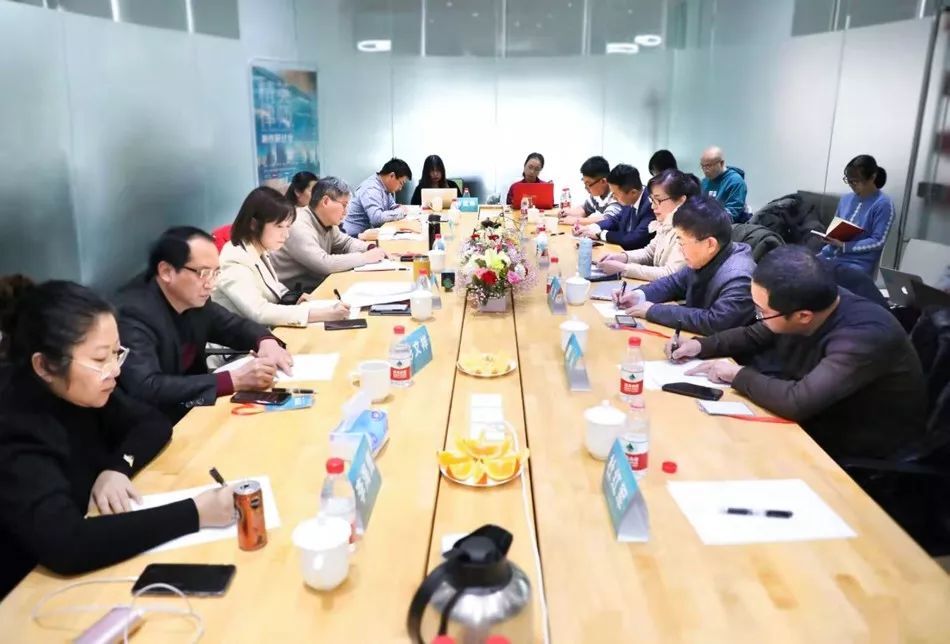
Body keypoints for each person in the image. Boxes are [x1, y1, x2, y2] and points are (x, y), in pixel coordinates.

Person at [0, 281, 236, 598]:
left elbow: (153, 423)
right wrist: (195, 513)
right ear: (44, 365)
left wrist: (117, 468)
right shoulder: (15, 424)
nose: (114, 370)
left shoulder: (79, 388)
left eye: (116, 353)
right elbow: (67, 543)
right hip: (28, 592)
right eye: (100, 359)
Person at [667, 246, 927, 459]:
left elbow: (797, 401)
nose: (758, 317)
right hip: (815, 417)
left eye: (762, 311)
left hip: (852, 447)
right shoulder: (809, 300)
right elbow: (755, 334)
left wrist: (736, 374)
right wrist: (700, 345)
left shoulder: (863, 337)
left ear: (803, 316)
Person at [116, 227, 292, 422]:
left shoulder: (192, 298)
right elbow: (147, 386)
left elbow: (233, 326)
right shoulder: (133, 314)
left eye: (215, 273)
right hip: (157, 422)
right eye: (203, 273)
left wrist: (265, 341)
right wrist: (234, 379)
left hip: (197, 410)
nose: (211, 284)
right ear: (166, 271)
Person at [614, 195, 755, 335]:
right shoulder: (710, 255)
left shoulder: (738, 277)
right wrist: (639, 295)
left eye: (682, 243)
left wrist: (653, 311)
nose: (680, 250)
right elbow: (674, 283)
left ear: (710, 244)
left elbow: (716, 322)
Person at [213, 187, 350, 327]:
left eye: (288, 227)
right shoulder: (234, 259)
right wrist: (320, 314)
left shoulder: (258, 249)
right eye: (279, 226)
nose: (286, 235)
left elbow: (269, 285)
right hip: (241, 339)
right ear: (254, 225)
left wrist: (295, 297)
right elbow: (259, 311)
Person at [270, 178, 387, 293]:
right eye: (344, 205)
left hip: (314, 286)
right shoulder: (298, 225)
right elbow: (324, 264)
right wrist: (365, 257)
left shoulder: (326, 221)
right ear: (326, 201)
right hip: (293, 295)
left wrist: (369, 248)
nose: (346, 212)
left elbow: (346, 243)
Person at [595, 169, 698, 282]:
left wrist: (624, 268)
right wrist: (622, 257)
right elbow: (649, 253)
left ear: (681, 200)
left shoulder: (688, 230)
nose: (653, 206)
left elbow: (670, 273)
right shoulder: (666, 224)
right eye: (652, 200)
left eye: (658, 200)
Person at [817, 155, 895, 276]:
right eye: (848, 181)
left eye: (856, 181)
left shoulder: (883, 204)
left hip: (856, 263)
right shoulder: (846, 199)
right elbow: (835, 228)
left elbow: (878, 241)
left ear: (872, 177)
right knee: (800, 267)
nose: (851, 185)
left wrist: (845, 245)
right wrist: (829, 238)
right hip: (830, 255)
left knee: (816, 277)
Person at [576, 164, 655, 251]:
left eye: (615, 194)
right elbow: (615, 220)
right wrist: (591, 228)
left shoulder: (651, 205)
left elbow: (634, 238)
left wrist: (600, 234)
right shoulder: (630, 198)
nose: (613, 198)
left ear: (633, 193)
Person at [341, 158, 412, 237]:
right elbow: (377, 219)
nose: (400, 188)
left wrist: (399, 208)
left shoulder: (385, 187)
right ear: (392, 176)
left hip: (367, 234)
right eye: (401, 183)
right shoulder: (371, 188)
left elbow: (392, 207)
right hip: (353, 236)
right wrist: (401, 212)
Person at [560, 156, 623, 225]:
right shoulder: (598, 195)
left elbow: (607, 220)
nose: (585, 188)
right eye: (584, 183)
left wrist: (576, 221)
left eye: (588, 184)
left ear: (603, 181)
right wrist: (567, 213)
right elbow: (584, 210)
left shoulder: (616, 195)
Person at [699, 146, 749, 222]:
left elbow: (732, 213)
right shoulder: (704, 182)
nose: (705, 170)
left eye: (709, 166)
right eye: (702, 166)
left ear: (721, 163)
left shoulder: (736, 181)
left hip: (730, 225)